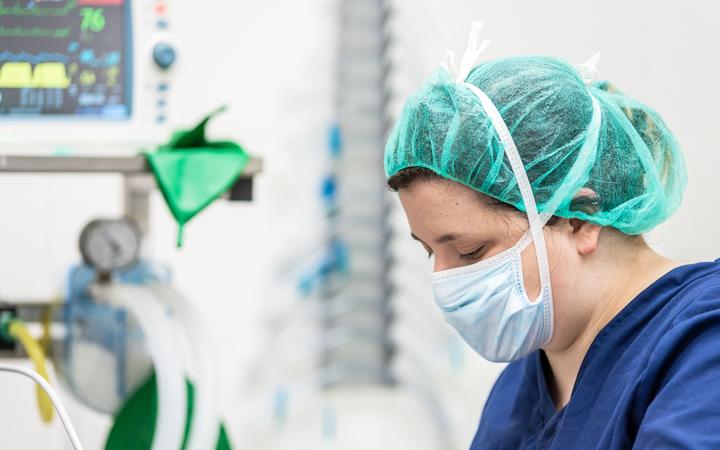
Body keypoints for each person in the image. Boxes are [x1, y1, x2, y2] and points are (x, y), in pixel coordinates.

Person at [385, 22, 720, 449]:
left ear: (581, 217)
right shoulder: (518, 391)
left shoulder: (701, 345)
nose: (443, 280)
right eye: (429, 251)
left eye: (469, 251)